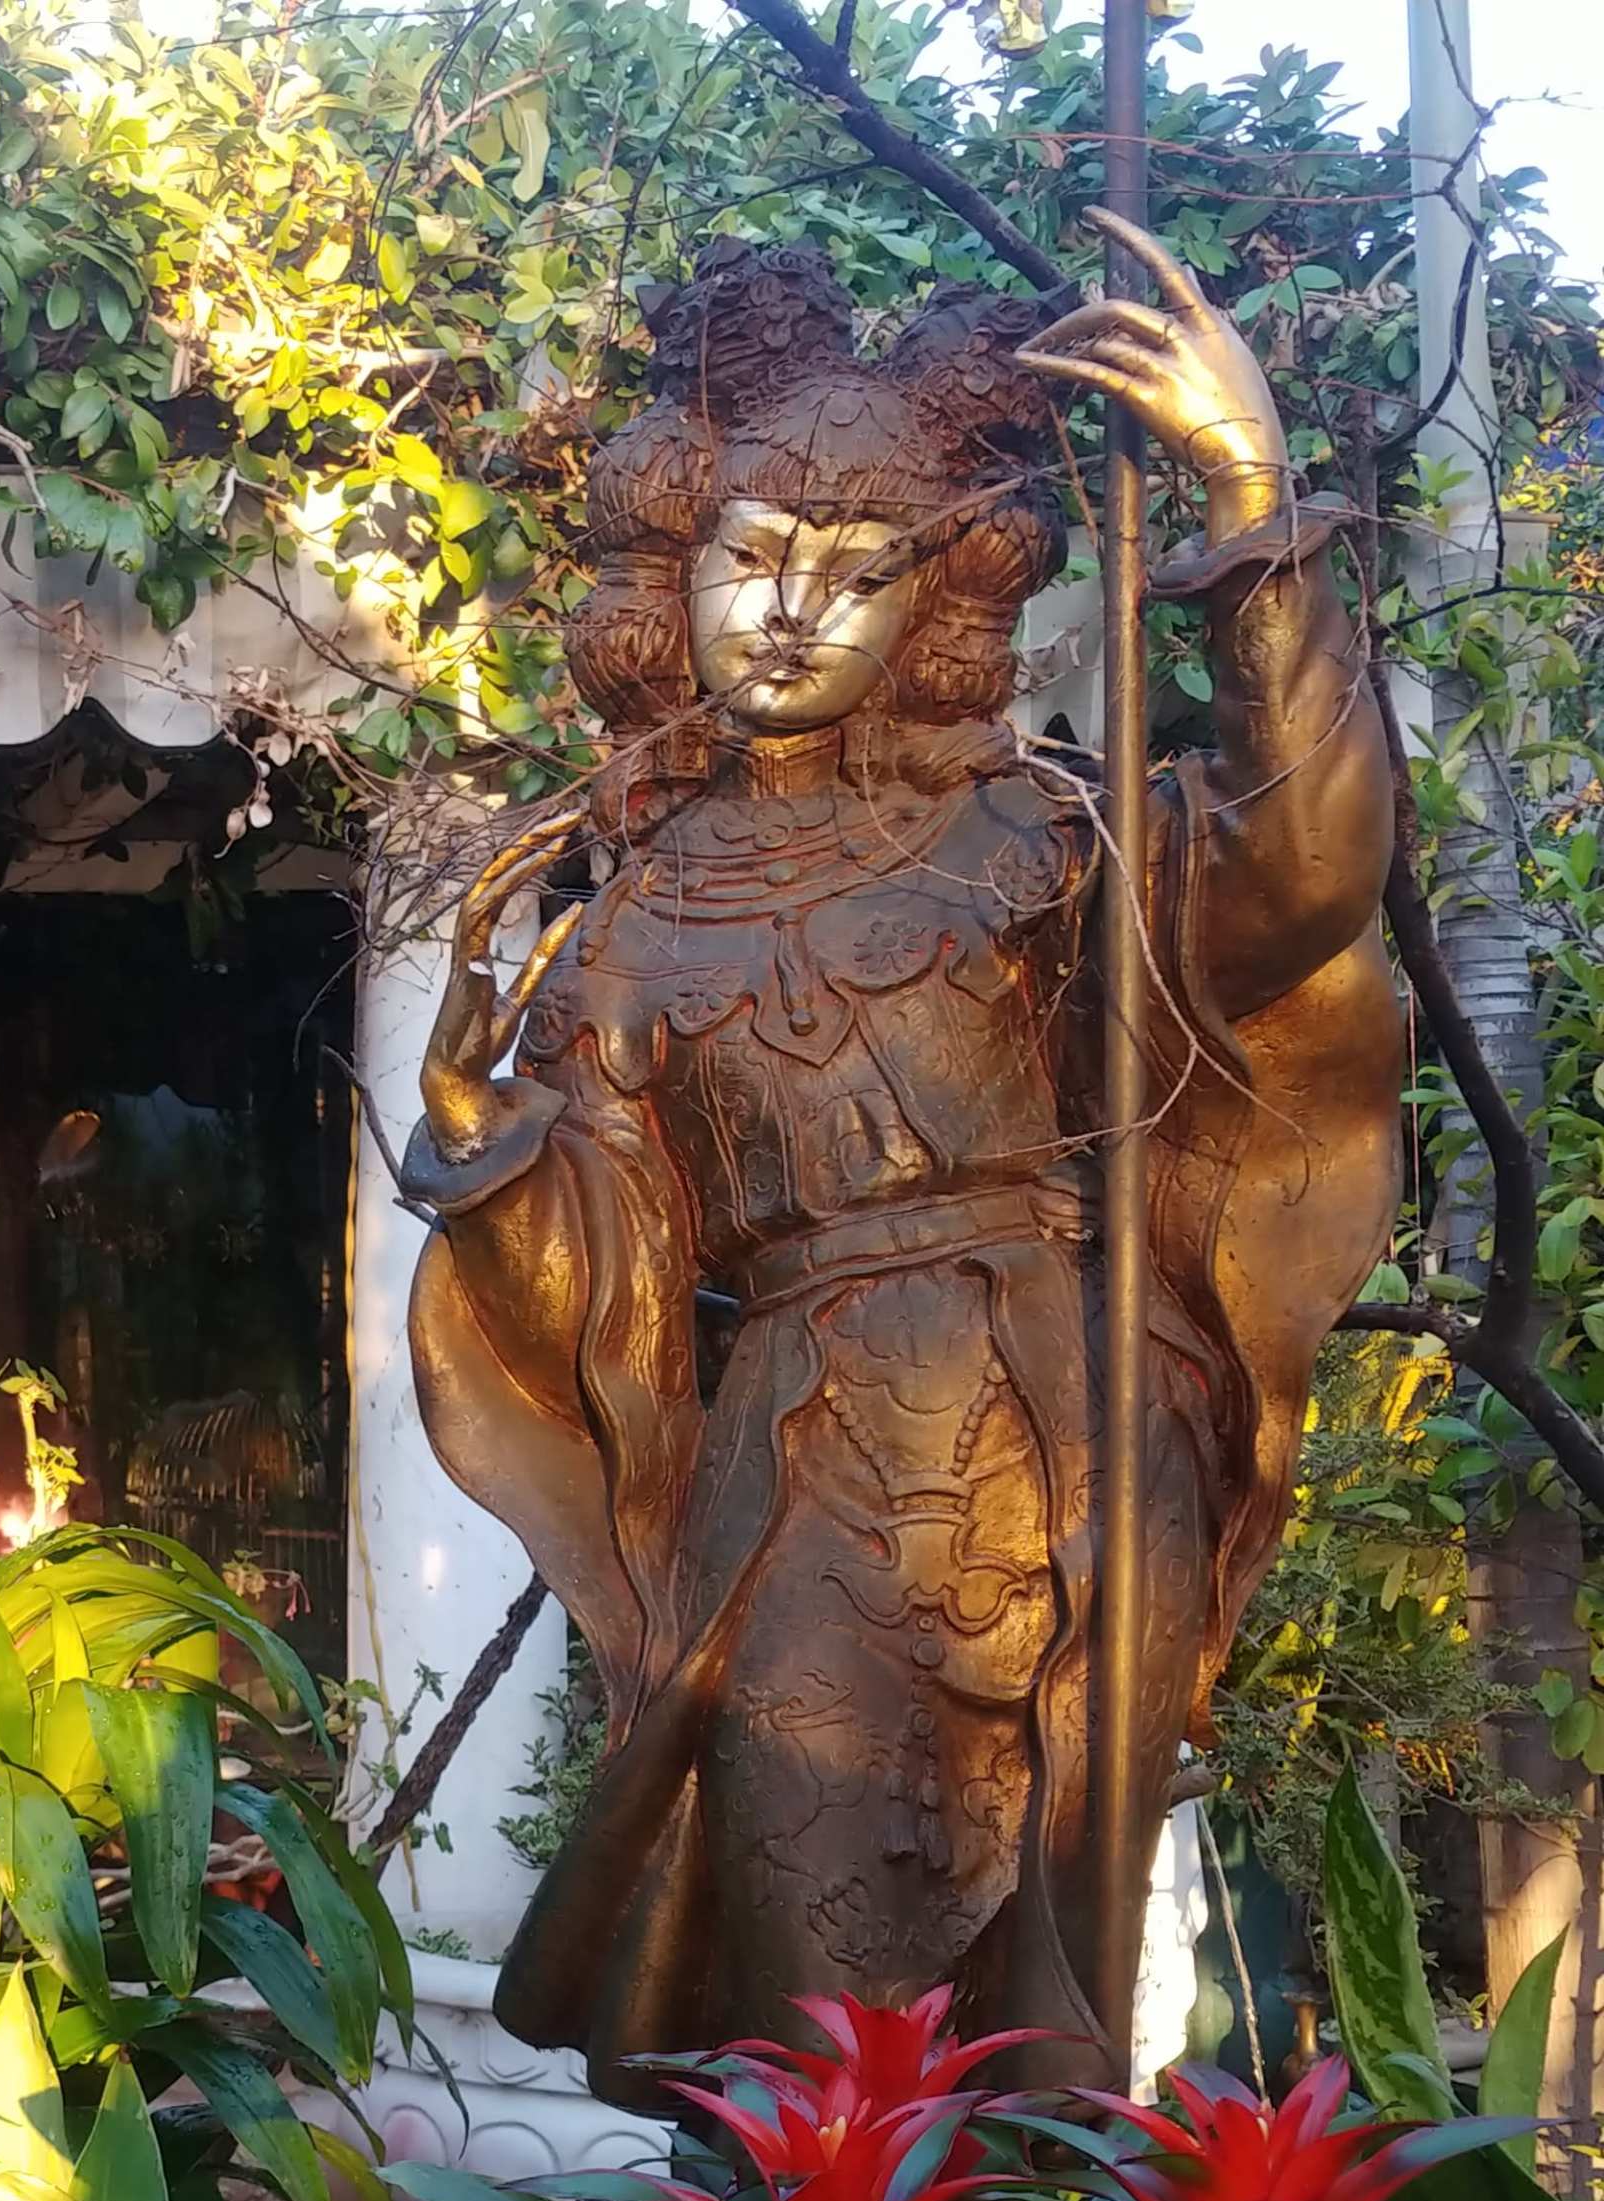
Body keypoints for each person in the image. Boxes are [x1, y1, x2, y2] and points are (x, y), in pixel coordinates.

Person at [403, 219, 1394, 2099]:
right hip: (799, 1464)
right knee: (811, 1979)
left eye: (852, 579)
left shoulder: (1034, 834)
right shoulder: (628, 927)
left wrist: (1247, 499)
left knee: (1053, 1987)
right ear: (668, 578)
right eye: (750, 563)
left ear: (930, 609)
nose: (785, 615)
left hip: (1075, 1434)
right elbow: (598, 1285)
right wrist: (477, 1128)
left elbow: (1299, 875)